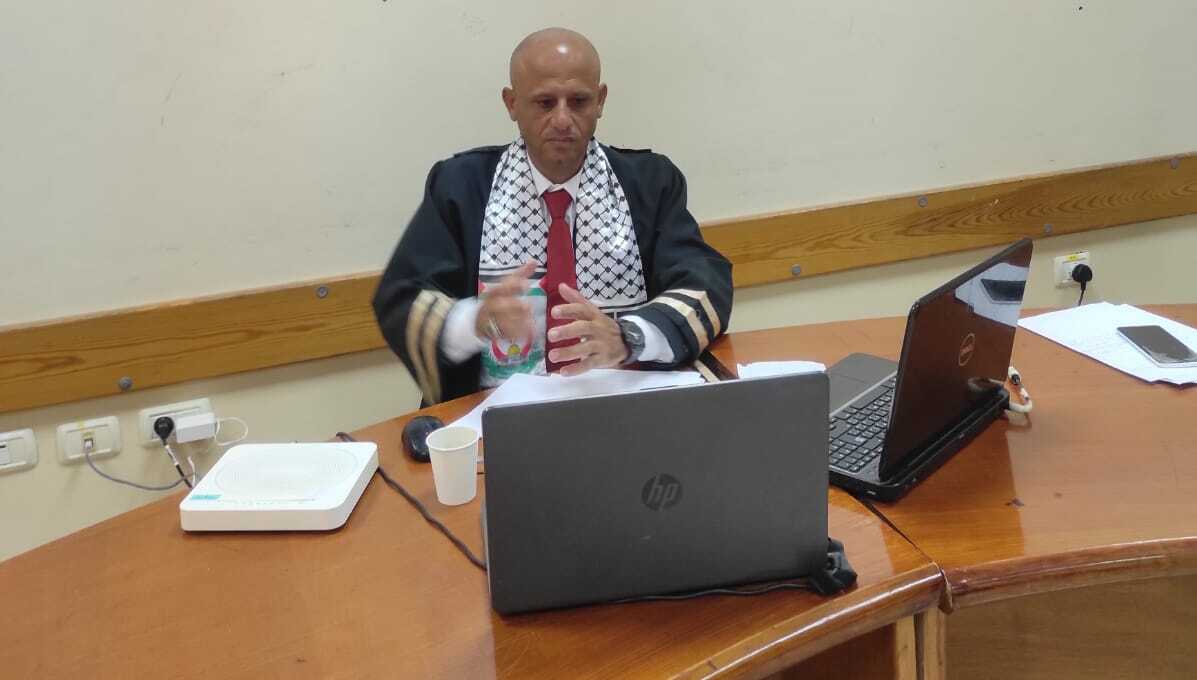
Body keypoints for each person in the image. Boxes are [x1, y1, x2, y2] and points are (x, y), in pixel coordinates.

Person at [374, 27, 732, 404]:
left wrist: (627, 338)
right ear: (512, 103)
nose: (562, 120)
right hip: (497, 414)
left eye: (578, 101)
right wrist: (473, 321)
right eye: (545, 103)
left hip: (622, 407)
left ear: (600, 101)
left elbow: (706, 284)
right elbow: (402, 299)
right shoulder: (459, 187)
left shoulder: (651, 183)